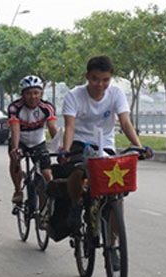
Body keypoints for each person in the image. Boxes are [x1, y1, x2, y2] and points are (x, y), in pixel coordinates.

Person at [60, 55, 151, 227]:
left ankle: (114, 240)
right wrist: (66, 150)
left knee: (116, 189)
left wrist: (139, 148)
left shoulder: (116, 94)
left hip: (105, 144)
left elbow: (125, 122)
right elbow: (70, 127)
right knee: (77, 172)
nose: (100, 85)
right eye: (95, 79)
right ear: (87, 77)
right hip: (80, 142)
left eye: (105, 80)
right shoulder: (74, 96)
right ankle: (75, 206)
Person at [8, 75, 58, 204]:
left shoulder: (47, 108)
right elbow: (15, 129)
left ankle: (46, 207)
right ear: (23, 95)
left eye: (36, 93)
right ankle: (18, 190)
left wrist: (59, 146)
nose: (33, 97)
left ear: (41, 93)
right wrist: (15, 148)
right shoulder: (15, 107)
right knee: (15, 159)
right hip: (20, 141)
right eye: (28, 93)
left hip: (38, 142)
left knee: (47, 174)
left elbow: (52, 128)